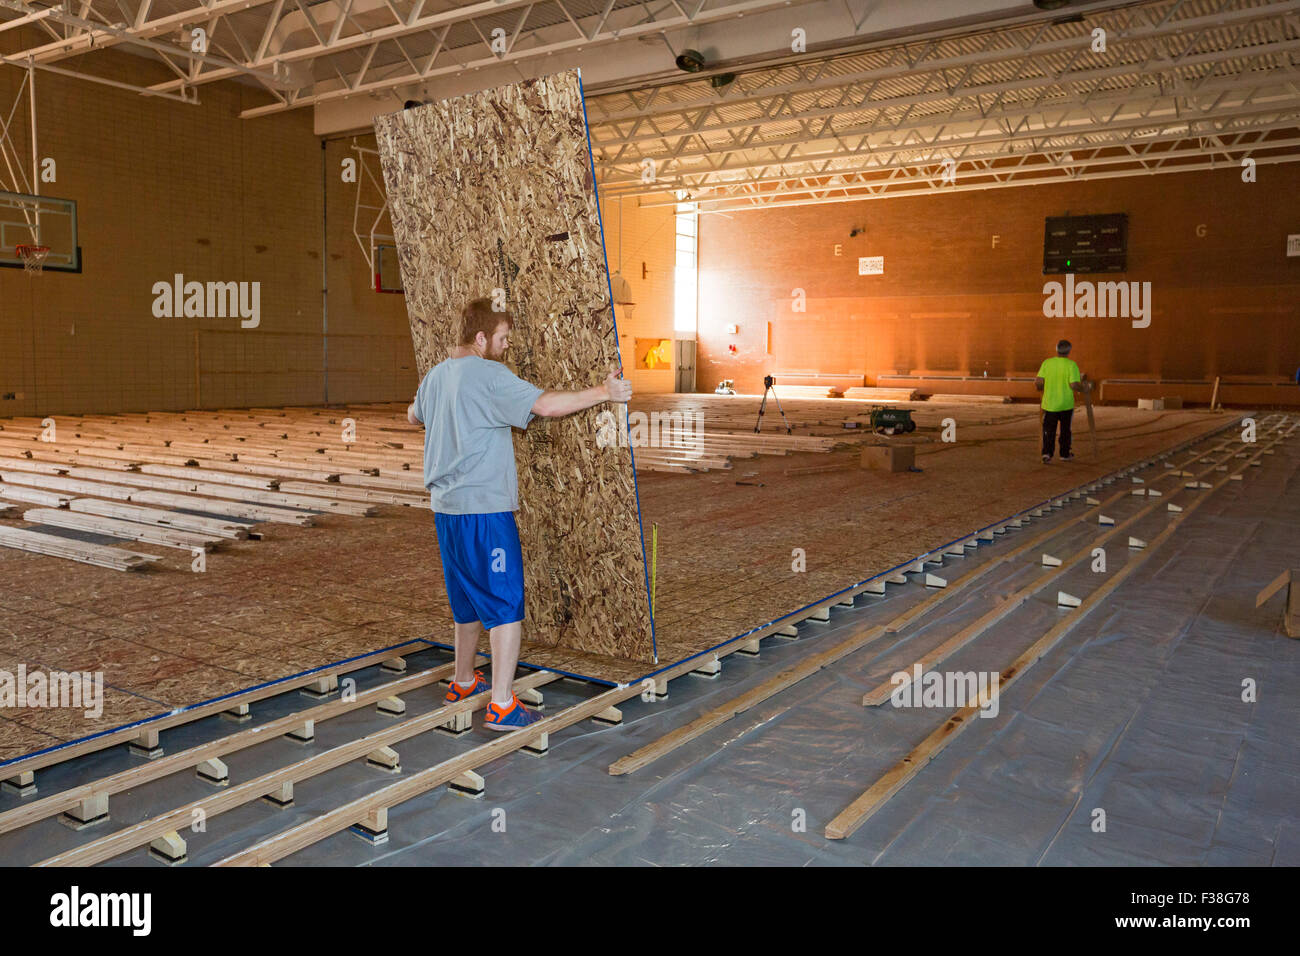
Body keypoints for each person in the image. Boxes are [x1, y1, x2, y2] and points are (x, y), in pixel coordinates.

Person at [407, 298, 633, 729]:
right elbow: (546, 405)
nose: (507, 346)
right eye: (503, 338)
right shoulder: (490, 375)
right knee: (506, 603)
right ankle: (503, 703)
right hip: (484, 512)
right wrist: (605, 391)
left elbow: (411, 416)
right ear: (480, 338)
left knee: (467, 600)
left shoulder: (436, 376)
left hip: (446, 511)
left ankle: (461, 680)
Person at [1035, 339, 1090, 463]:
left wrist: (1040, 388)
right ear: (1069, 351)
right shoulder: (1071, 365)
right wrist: (1084, 389)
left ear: (1057, 349)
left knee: (1048, 430)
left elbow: (1038, 382)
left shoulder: (1047, 363)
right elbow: (1074, 385)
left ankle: (1047, 453)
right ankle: (1065, 454)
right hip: (1066, 404)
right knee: (1065, 430)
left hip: (1049, 404)